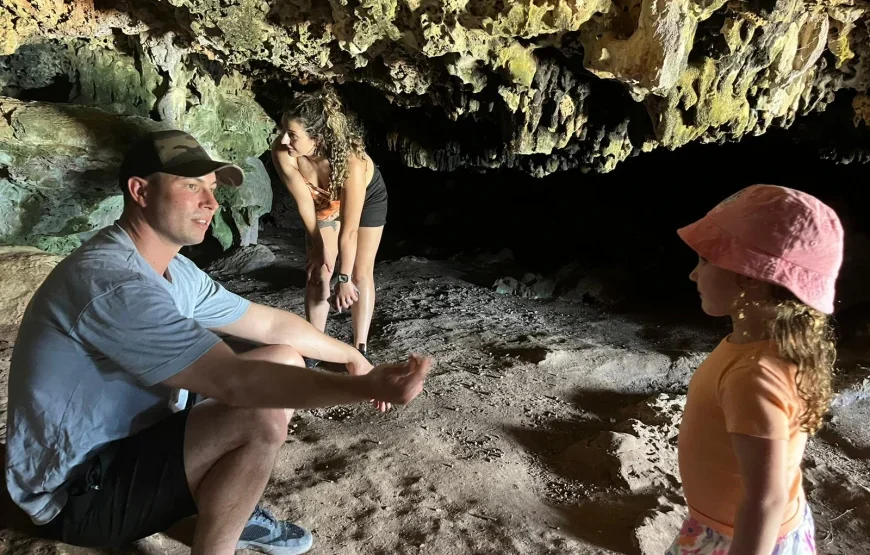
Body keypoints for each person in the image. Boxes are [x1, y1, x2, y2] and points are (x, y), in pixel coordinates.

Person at [4, 129, 431, 555]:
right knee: (256, 418)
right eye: (191, 186)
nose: (210, 203)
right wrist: (362, 389)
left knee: (284, 357)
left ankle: (225, 506)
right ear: (140, 191)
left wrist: (352, 357)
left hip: (133, 444)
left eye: (211, 188)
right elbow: (234, 383)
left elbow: (270, 327)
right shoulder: (112, 282)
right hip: (77, 493)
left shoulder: (173, 269)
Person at [667, 185, 843, 555]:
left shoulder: (754, 375)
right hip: (746, 527)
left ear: (750, 276)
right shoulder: (775, 348)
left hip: (738, 538)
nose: (693, 275)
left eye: (706, 261)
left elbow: (765, 501)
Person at [271, 86, 388, 361]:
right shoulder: (283, 153)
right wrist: (318, 247)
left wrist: (344, 278)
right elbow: (304, 205)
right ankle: (314, 346)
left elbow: (348, 231)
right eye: (283, 130)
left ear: (317, 138)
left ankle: (360, 349)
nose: (284, 139)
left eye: (293, 134)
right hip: (321, 203)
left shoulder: (351, 163)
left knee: (360, 271)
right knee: (318, 271)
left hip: (366, 198)